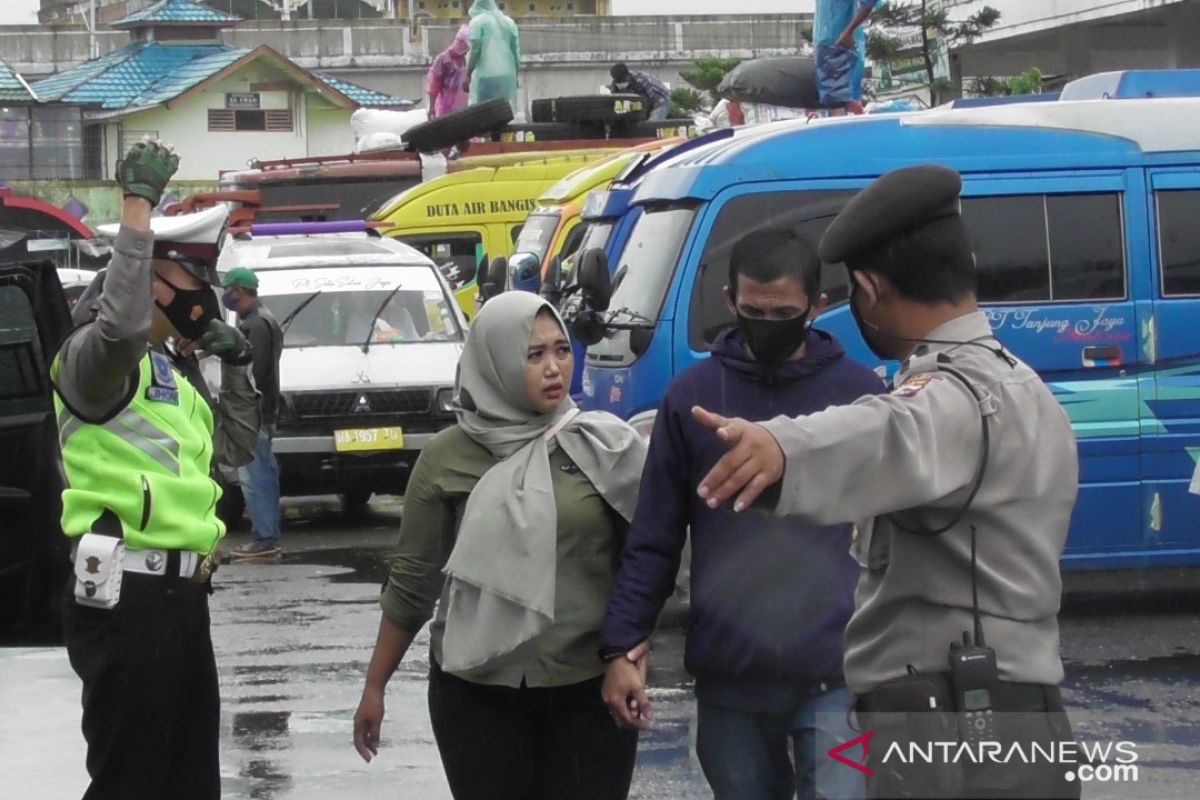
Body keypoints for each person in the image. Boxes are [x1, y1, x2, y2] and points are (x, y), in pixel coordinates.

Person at [692, 165, 1081, 799]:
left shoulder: (957, 395)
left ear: (868, 289)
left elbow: (889, 428)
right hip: (1016, 713)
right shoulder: (1025, 386)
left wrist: (780, 448)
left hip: (953, 732)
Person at [600, 229, 883, 800]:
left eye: (783, 312)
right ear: (730, 302)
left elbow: (898, 536)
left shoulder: (860, 396)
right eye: (754, 311)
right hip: (731, 675)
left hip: (837, 672)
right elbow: (653, 539)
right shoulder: (693, 398)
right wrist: (622, 648)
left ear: (817, 306)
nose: (767, 322)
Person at [353, 292, 648, 800]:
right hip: (475, 693)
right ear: (492, 361)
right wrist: (375, 687)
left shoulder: (604, 445)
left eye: (561, 350)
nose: (553, 368)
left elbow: (647, 567)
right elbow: (412, 584)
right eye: (533, 355)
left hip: (587, 690)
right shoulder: (447, 458)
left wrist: (631, 656)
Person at [51, 140, 258, 799]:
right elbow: (118, 328)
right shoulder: (96, 359)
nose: (209, 294)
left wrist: (239, 365)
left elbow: (236, 451)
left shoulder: (175, 376)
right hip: (126, 596)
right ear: (156, 285)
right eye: (195, 279)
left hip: (182, 598)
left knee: (191, 784)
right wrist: (136, 208)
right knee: (132, 783)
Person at [221, 267, 284, 560]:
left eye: (228, 289)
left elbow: (251, 373)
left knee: (254, 477)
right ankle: (268, 535)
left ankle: (264, 538)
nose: (225, 295)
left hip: (253, 412)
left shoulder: (255, 325)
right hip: (265, 409)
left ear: (238, 291)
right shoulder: (266, 319)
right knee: (264, 475)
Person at [814, 0, 878, 114]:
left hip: (840, 48)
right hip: (824, 47)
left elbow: (869, 2)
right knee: (834, 103)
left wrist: (848, 32)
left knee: (839, 104)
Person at [466, 0, 520, 112]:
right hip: (507, 76)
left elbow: (475, 50)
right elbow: (515, 53)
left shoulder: (477, 22)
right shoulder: (508, 22)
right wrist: (516, 75)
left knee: (486, 114)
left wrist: (468, 74)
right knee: (504, 113)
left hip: (486, 77)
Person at [427, 24, 471, 119]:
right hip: (446, 108)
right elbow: (434, 84)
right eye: (466, 47)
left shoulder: (465, 60)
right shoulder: (443, 59)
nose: (467, 51)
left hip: (463, 108)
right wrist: (432, 107)